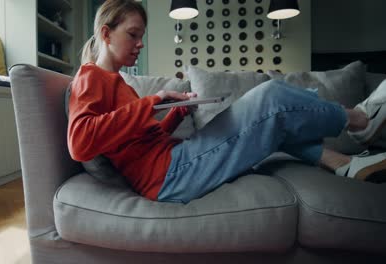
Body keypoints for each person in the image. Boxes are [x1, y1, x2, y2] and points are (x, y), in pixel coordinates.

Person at [67, 0, 386, 203]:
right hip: (170, 177)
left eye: (142, 37)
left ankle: (345, 165)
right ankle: (359, 121)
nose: (139, 44)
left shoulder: (117, 82)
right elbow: (79, 143)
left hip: (174, 162)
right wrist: (149, 104)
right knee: (271, 97)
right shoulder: (91, 77)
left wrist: (177, 111)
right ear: (106, 34)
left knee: (272, 123)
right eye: (133, 34)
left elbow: (145, 142)